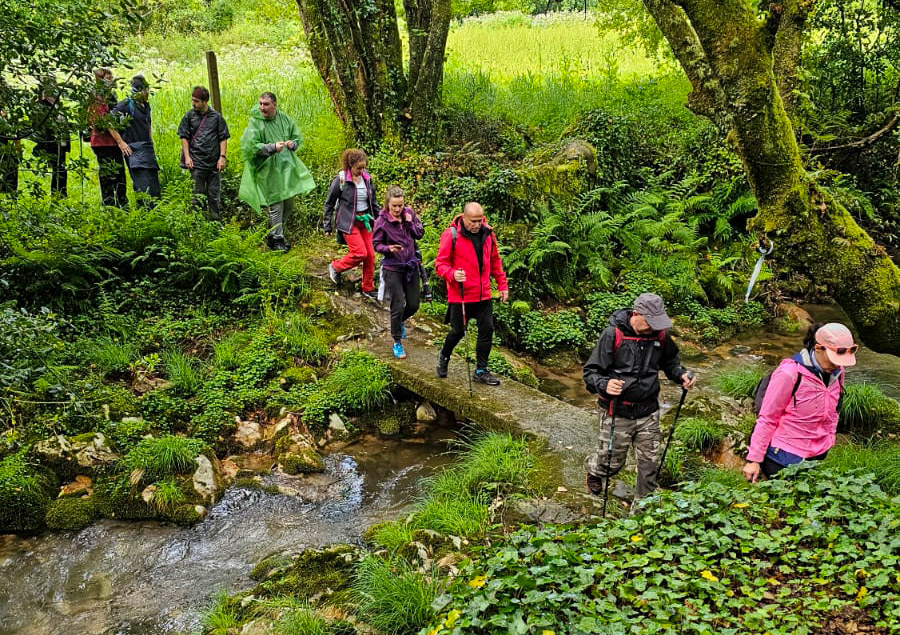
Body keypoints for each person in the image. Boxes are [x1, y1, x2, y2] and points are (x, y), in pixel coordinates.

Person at [582, 293, 696, 504]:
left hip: (648, 411)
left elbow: (670, 361)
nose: (654, 327)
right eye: (650, 322)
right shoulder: (612, 334)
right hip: (617, 411)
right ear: (636, 314)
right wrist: (604, 384)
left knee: (649, 466)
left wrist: (680, 374)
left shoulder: (659, 336)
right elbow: (591, 372)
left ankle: (641, 516)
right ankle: (594, 470)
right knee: (611, 463)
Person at [743, 322, 856, 483]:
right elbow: (768, 417)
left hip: (816, 452)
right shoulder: (789, 373)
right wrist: (754, 460)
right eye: (834, 359)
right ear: (818, 348)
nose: (838, 364)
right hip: (781, 456)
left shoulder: (838, 371)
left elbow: (835, 408)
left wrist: (829, 438)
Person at [434, 202, 509, 385]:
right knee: (458, 331)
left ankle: (481, 370)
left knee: (487, 330)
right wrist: (452, 274)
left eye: (480, 220)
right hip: (461, 295)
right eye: (473, 221)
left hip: (483, 295)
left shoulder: (488, 234)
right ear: (464, 217)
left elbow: (495, 261)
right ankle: (444, 356)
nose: (477, 224)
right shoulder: (451, 235)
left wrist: (502, 285)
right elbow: (440, 264)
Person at [239, 92, 315, 251]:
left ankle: (273, 234)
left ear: (275, 105)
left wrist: (292, 144)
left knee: (288, 203)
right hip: (268, 170)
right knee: (276, 204)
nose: (262, 107)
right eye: (260, 103)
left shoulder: (284, 119)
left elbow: (297, 138)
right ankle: (278, 239)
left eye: (266, 104)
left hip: (286, 169)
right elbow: (250, 147)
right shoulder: (256, 122)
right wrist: (271, 147)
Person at [372, 186, 425, 359]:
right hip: (392, 268)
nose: (397, 209)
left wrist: (409, 222)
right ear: (388, 204)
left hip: (410, 266)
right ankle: (397, 342)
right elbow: (376, 244)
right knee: (397, 305)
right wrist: (388, 248)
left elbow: (420, 233)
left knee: (414, 304)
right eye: (394, 206)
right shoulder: (382, 221)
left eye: (400, 205)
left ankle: (400, 321)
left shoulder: (409, 213)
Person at [324, 149, 377, 299]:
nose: (362, 170)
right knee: (360, 252)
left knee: (371, 256)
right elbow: (329, 204)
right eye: (358, 168)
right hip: (348, 222)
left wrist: (381, 221)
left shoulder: (367, 179)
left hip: (365, 220)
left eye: (364, 167)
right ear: (350, 165)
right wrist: (327, 225)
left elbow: (374, 203)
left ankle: (368, 287)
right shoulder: (341, 180)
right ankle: (335, 267)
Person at [178, 86, 230, 221]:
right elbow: (184, 137)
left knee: (214, 196)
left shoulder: (216, 117)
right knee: (196, 196)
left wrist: (222, 157)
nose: (193, 103)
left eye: (196, 101)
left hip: (214, 164)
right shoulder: (189, 116)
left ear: (204, 101)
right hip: (196, 163)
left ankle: (215, 223)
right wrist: (187, 157)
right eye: (192, 100)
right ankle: (197, 225)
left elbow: (223, 137)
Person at [111, 74, 161, 206]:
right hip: (133, 150)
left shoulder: (146, 105)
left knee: (154, 185)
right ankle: (144, 213)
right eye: (146, 90)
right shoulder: (126, 105)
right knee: (142, 185)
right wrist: (120, 142)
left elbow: (148, 124)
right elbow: (108, 122)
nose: (148, 93)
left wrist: (150, 141)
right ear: (140, 91)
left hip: (147, 148)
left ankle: (155, 214)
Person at [88, 68, 127, 208]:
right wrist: (120, 141)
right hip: (102, 142)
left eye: (112, 78)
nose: (112, 81)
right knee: (107, 176)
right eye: (108, 78)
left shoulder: (111, 96)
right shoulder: (96, 98)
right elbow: (104, 122)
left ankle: (123, 205)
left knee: (120, 174)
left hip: (114, 142)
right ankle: (109, 206)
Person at [32, 87, 70, 197]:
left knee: (61, 169)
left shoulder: (58, 104)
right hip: (51, 142)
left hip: (62, 143)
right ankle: (57, 194)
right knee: (58, 168)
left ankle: (61, 193)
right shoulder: (41, 105)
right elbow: (40, 125)